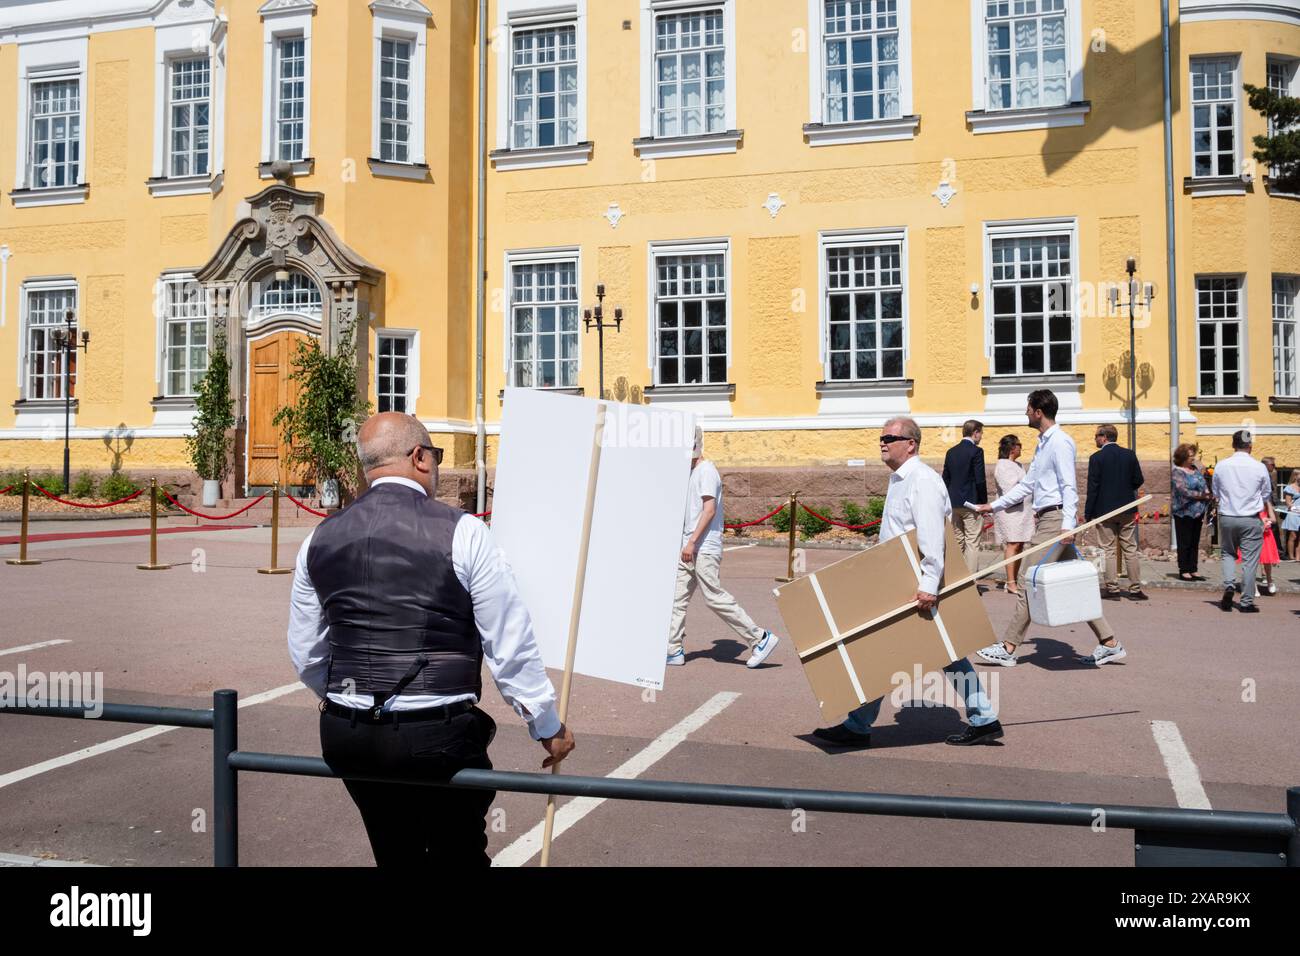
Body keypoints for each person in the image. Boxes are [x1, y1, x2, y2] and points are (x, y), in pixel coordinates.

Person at [287, 412, 575, 868]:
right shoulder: (462, 531)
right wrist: (546, 725)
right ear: (419, 457)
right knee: (457, 854)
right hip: (435, 734)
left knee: (395, 852)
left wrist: (354, 700)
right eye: (435, 456)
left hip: (348, 736)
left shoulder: (318, 538)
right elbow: (508, 641)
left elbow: (306, 652)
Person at [812, 417, 1003, 748]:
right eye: (881, 437)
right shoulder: (901, 479)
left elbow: (932, 537)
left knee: (900, 650)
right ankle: (983, 717)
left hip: (915, 582)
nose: (882, 442)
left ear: (911, 443)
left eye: (890, 437)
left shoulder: (922, 481)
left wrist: (929, 583)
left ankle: (859, 726)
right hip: (898, 578)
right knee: (940, 651)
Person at [974, 390, 1126, 667]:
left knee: (1027, 580)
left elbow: (1069, 486)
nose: (1025, 413)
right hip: (1047, 519)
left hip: (1056, 522)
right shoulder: (1044, 444)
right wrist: (993, 507)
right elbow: (1027, 485)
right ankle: (1110, 643)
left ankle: (1008, 647)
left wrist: (1068, 526)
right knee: (1076, 586)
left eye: (1027, 408)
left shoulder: (1060, 442)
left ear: (1038, 412)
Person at [666, 426, 781, 668]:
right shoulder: (691, 473)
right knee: (675, 599)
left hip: (703, 547)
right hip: (690, 547)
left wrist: (691, 542)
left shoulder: (707, 471)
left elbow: (709, 510)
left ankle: (760, 637)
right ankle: (673, 649)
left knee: (714, 597)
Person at [1211, 430, 1272, 613]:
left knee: (1228, 553)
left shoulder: (1222, 465)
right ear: (1250, 446)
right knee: (1250, 560)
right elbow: (1266, 493)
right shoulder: (1259, 467)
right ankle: (1246, 601)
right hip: (1250, 518)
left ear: (1233, 445)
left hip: (1228, 516)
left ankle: (1229, 584)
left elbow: (1215, 492)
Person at [1085, 424, 1148, 601]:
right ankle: (1135, 589)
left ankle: (1112, 589)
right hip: (1127, 508)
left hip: (1105, 510)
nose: (1095, 438)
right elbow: (1138, 480)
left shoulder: (1096, 458)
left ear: (1104, 437)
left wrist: (1088, 513)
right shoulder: (1129, 455)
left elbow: (1093, 488)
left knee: (1107, 550)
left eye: (1097, 435)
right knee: (1130, 548)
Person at [942, 419, 988, 573]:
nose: (981, 437)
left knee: (957, 542)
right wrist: (983, 503)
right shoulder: (976, 451)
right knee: (972, 542)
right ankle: (971, 583)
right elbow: (980, 479)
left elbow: (945, 479)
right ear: (975, 433)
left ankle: (955, 577)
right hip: (972, 503)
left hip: (954, 503)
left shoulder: (951, 452)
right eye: (980, 433)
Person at [993, 434, 1033, 595]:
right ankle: (1010, 582)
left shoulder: (1018, 464)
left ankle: (1013, 580)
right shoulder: (1003, 465)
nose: (1021, 447)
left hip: (1023, 511)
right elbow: (1009, 489)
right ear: (1011, 448)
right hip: (1010, 512)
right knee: (1012, 544)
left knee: (1020, 544)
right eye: (1019, 444)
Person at [1171, 443, 1213, 582]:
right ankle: (1184, 570)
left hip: (1198, 511)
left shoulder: (1195, 470)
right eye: (1190, 456)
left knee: (1194, 542)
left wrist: (1208, 493)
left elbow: (1204, 485)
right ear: (1183, 457)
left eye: (1193, 456)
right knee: (1185, 541)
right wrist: (1202, 495)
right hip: (1183, 512)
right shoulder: (1177, 471)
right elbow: (1183, 491)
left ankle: (1193, 569)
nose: (1193, 459)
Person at [1239, 499, 1280, 595]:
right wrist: (1260, 521)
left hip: (1266, 535)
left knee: (1267, 560)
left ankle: (1269, 580)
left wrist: (1268, 522)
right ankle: (1252, 585)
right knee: (1253, 561)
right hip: (1252, 533)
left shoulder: (1266, 502)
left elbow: (1273, 519)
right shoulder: (1248, 501)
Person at [1281, 472, 1300, 562]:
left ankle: (1298, 557)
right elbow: (1288, 502)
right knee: (1293, 535)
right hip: (1293, 513)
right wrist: (1295, 509)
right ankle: (1291, 556)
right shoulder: (1290, 487)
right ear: (1296, 476)